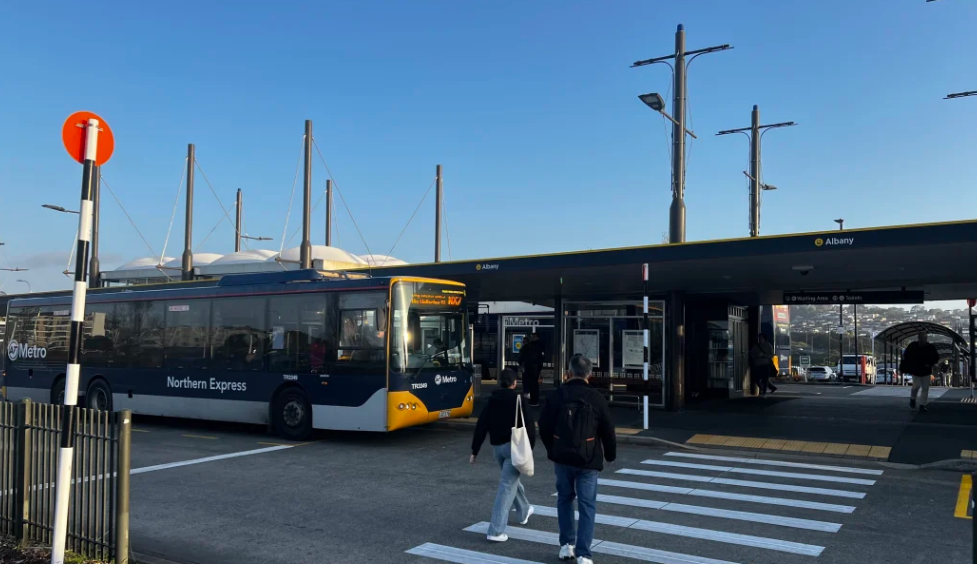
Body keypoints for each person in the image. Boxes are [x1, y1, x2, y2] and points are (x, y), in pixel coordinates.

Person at [538, 354, 616, 564]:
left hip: (562, 457)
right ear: (589, 374)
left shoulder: (556, 395)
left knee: (564, 499)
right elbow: (608, 429)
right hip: (589, 460)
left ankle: (566, 546)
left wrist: (551, 449)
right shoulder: (596, 397)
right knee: (587, 505)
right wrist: (610, 454)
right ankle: (583, 554)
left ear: (569, 372)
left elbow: (544, 425)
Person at [470, 368, 536, 542]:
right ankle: (496, 531)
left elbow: (481, 425)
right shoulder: (519, 399)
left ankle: (524, 510)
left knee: (511, 481)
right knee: (507, 485)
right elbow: (529, 425)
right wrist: (531, 448)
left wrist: (475, 450)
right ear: (514, 383)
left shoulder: (491, 399)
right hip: (515, 447)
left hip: (497, 449)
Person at [901, 331, 940, 412]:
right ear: (919, 338)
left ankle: (922, 404)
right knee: (916, 386)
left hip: (925, 370)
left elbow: (936, 357)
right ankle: (913, 398)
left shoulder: (930, 347)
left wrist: (930, 364)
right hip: (916, 370)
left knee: (925, 388)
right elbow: (906, 356)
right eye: (922, 338)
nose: (924, 340)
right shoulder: (913, 346)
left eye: (925, 338)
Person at [519, 333, 544, 406]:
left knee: (533, 384)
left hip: (533, 367)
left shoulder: (533, 346)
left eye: (533, 337)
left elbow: (526, 355)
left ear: (536, 337)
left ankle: (534, 400)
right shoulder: (534, 345)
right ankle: (533, 399)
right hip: (533, 367)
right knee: (532, 384)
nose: (531, 338)